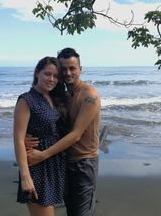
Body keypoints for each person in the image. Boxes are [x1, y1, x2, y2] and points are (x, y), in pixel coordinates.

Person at [26, 48, 101, 216]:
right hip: (63, 160)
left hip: (83, 163)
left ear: (80, 69)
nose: (67, 73)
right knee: (71, 209)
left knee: (81, 212)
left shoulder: (89, 95)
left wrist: (43, 154)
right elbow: (48, 122)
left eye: (72, 68)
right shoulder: (63, 95)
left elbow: (76, 134)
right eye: (63, 69)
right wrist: (27, 137)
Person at [13, 56, 68, 216]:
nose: (52, 79)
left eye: (56, 76)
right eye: (47, 74)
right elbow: (18, 139)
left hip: (54, 164)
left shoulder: (54, 98)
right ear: (37, 73)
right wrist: (25, 177)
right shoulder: (26, 100)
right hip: (37, 167)